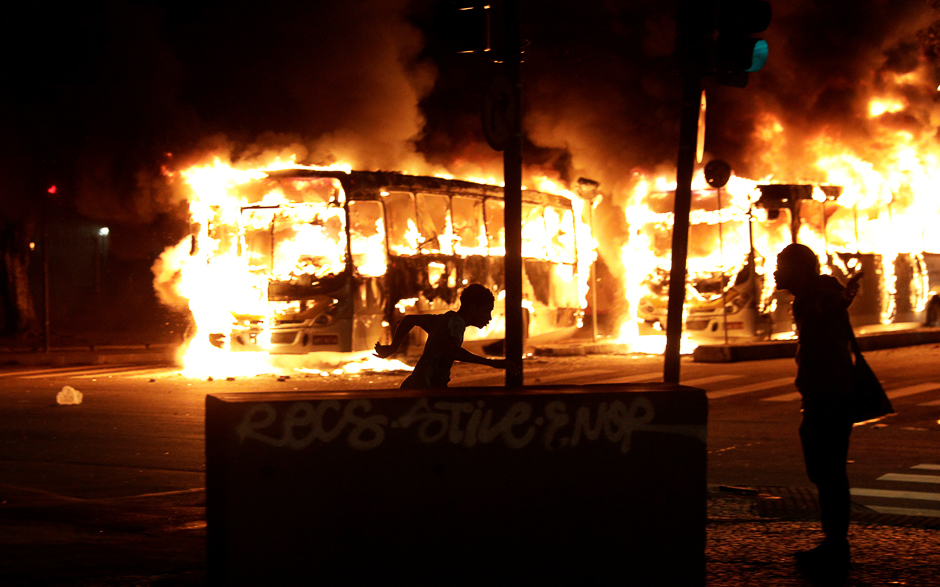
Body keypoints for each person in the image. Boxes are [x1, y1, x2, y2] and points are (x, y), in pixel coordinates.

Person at [773, 243, 862, 579]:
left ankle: (836, 544)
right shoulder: (809, 295)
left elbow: (832, 305)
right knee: (823, 470)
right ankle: (834, 541)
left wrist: (846, 295)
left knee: (830, 471)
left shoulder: (819, 294)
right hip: (822, 396)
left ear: (799, 269)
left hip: (830, 398)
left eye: (781, 265)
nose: (775, 271)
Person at [374, 283, 519, 388]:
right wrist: (492, 363)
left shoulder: (443, 319)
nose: (489, 318)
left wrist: (394, 347)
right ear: (473, 308)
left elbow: (410, 319)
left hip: (416, 384)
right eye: (487, 311)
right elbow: (451, 350)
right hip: (426, 388)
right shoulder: (457, 323)